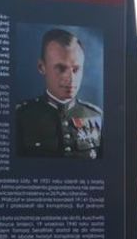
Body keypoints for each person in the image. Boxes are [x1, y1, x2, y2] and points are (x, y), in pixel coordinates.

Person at [15, 28, 103, 159]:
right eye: (61, 68)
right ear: (41, 67)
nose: (71, 78)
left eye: (76, 69)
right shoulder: (21, 116)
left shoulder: (96, 116)